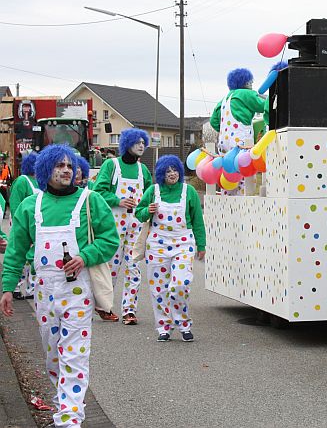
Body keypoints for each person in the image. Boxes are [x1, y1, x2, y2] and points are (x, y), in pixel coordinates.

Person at [1, 144, 118, 427]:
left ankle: (69, 418)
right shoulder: (32, 206)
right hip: (44, 293)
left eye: (70, 166)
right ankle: (65, 402)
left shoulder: (90, 201)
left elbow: (110, 239)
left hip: (78, 293)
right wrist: (7, 286)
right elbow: (16, 249)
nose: (66, 170)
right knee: (54, 356)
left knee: (75, 355)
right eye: (59, 165)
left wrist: (84, 257)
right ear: (45, 170)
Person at [135, 155, 206, 342]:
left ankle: (183, 323)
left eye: (175, 170)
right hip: (157, 244)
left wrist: (202, 245)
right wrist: (146, 211)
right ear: (161, 173)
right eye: (167, 171)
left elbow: (198, 220)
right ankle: (164, 327)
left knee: (180, 285)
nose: (172, 174)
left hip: (183, 243)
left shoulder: (188, 191)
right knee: (159, 289)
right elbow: (138, 214)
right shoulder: (153, 191)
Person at [93, 128, 153, 324]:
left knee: (134, 267)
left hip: (136, 226)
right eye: (137, 142)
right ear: (127, 144)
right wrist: (118, 200)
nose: (142, 145)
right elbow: (98, 192)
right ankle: (104, 306)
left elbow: (150, 195)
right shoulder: (111, 166)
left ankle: (129, 310)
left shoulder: (143, 170)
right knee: (111, 267)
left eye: (143, 142)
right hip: (113, 226)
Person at [210, 68, 268, 195]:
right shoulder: (246, 94)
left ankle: (228, 202)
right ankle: (243, 203)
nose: (252, 84)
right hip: (240, 140)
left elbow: (213, 121)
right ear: (246, 83)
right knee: (244, 172)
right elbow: (264, 106)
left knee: (228, 172)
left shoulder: (224, 99)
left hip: (224, 142)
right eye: (250, 82)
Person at [8, 153, 40, 300]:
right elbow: (15, 203)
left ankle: (30, 289)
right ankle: (15, 287)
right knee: (20, 255)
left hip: (36, 226)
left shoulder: (40, 182)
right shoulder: (22, 180)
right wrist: (18, 224)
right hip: (22, 224)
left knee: (32, 258)